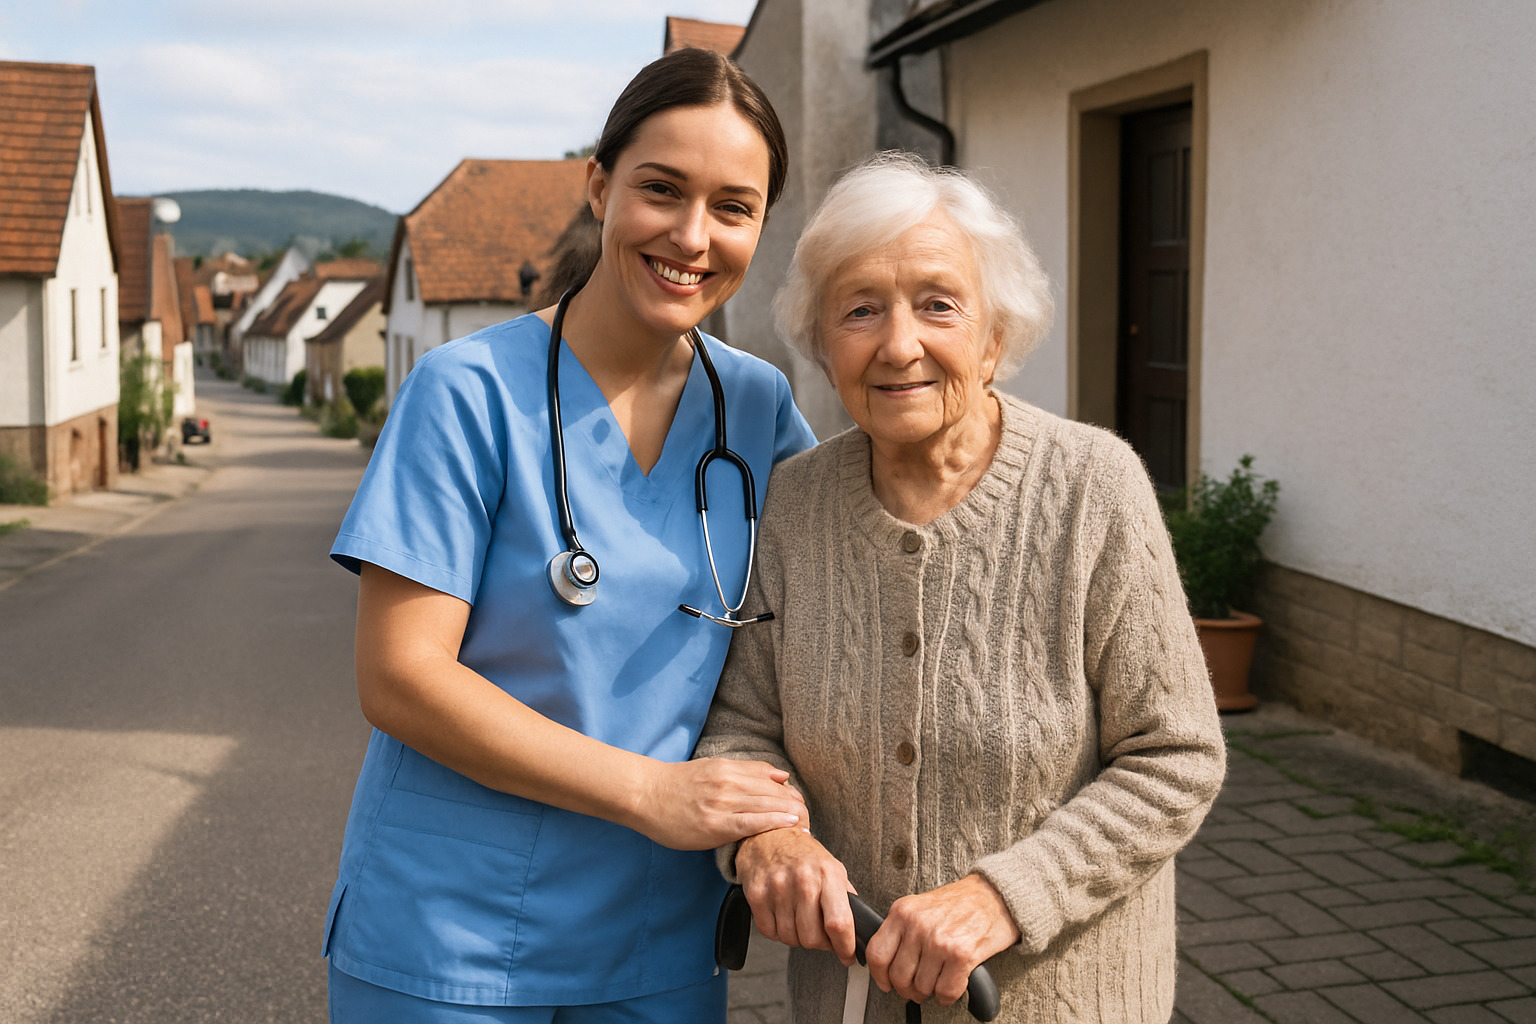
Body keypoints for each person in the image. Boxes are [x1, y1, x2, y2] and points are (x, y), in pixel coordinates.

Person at [321, 48, 817, 1023]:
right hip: (448, 936)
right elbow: (400, 677)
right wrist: (654, 793)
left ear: (762, 225)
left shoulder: (756, 409)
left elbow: (831, 611)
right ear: (599, 186)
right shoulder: (466, 394)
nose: (691, 235)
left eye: (733, 206)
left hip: (657, 937)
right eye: (662, 190)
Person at [696, 153, 1227, 1023]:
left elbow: (1177, 756)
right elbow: (741, 727)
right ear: (825, 350)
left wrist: (1002, 897)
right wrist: (770, 837)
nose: (899, 343)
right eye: (860, 310)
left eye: (938, 304)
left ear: (994, 338)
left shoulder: (1094, 487)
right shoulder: (791, 502)